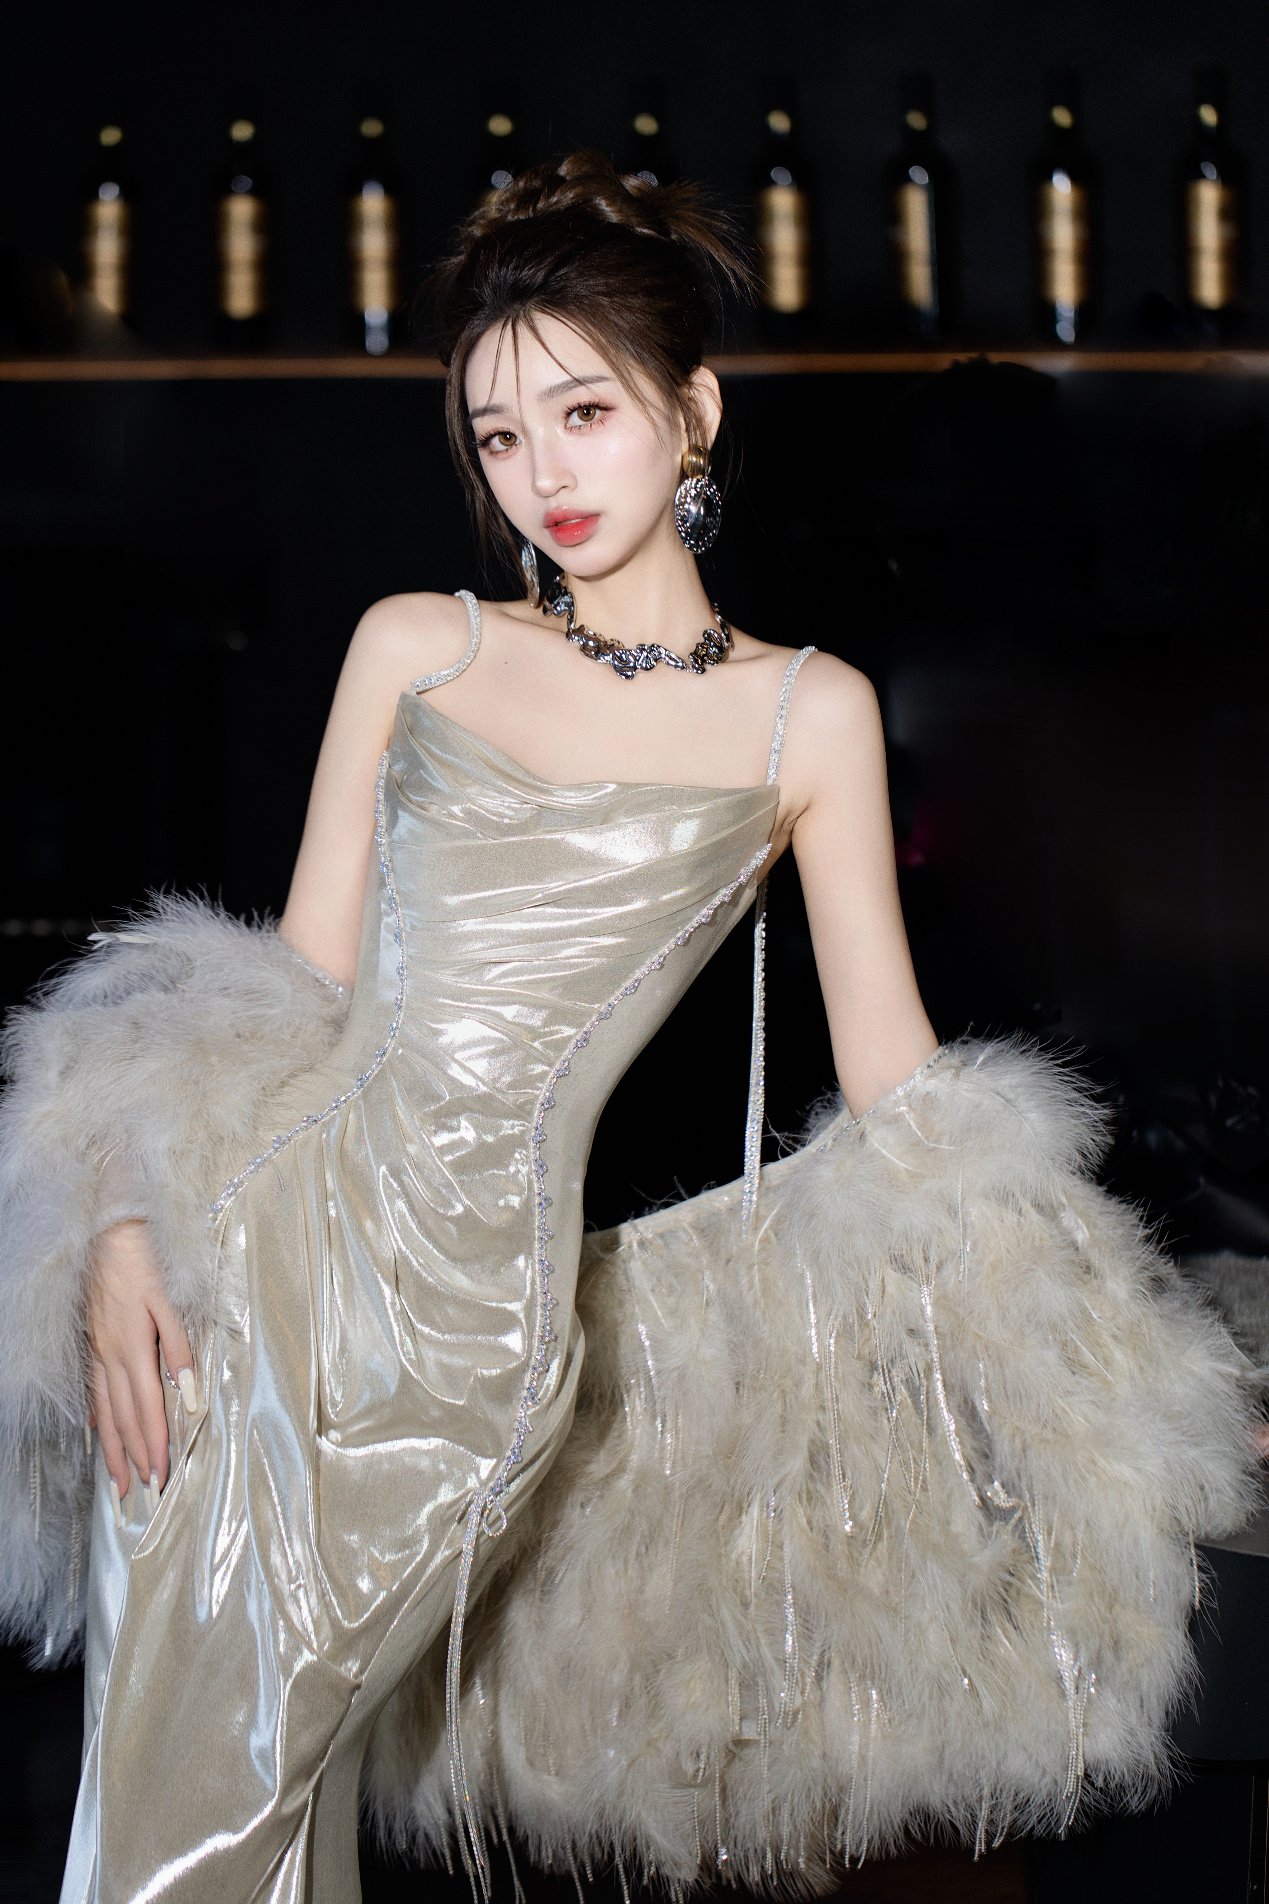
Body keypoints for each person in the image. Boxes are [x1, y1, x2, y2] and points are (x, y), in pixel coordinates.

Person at [0, 152, 1257, 1904]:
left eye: (583, 414)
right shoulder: (417, 647)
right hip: (247, 1280)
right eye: (499, 436)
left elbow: (908, 1102)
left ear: (692, 417)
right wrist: (127, 1219)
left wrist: (1130, 1372)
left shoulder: (804, 714)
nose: (542, 474)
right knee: (191, 1812)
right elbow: (280, 990)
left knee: (230, 1796)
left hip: (466, 1343)